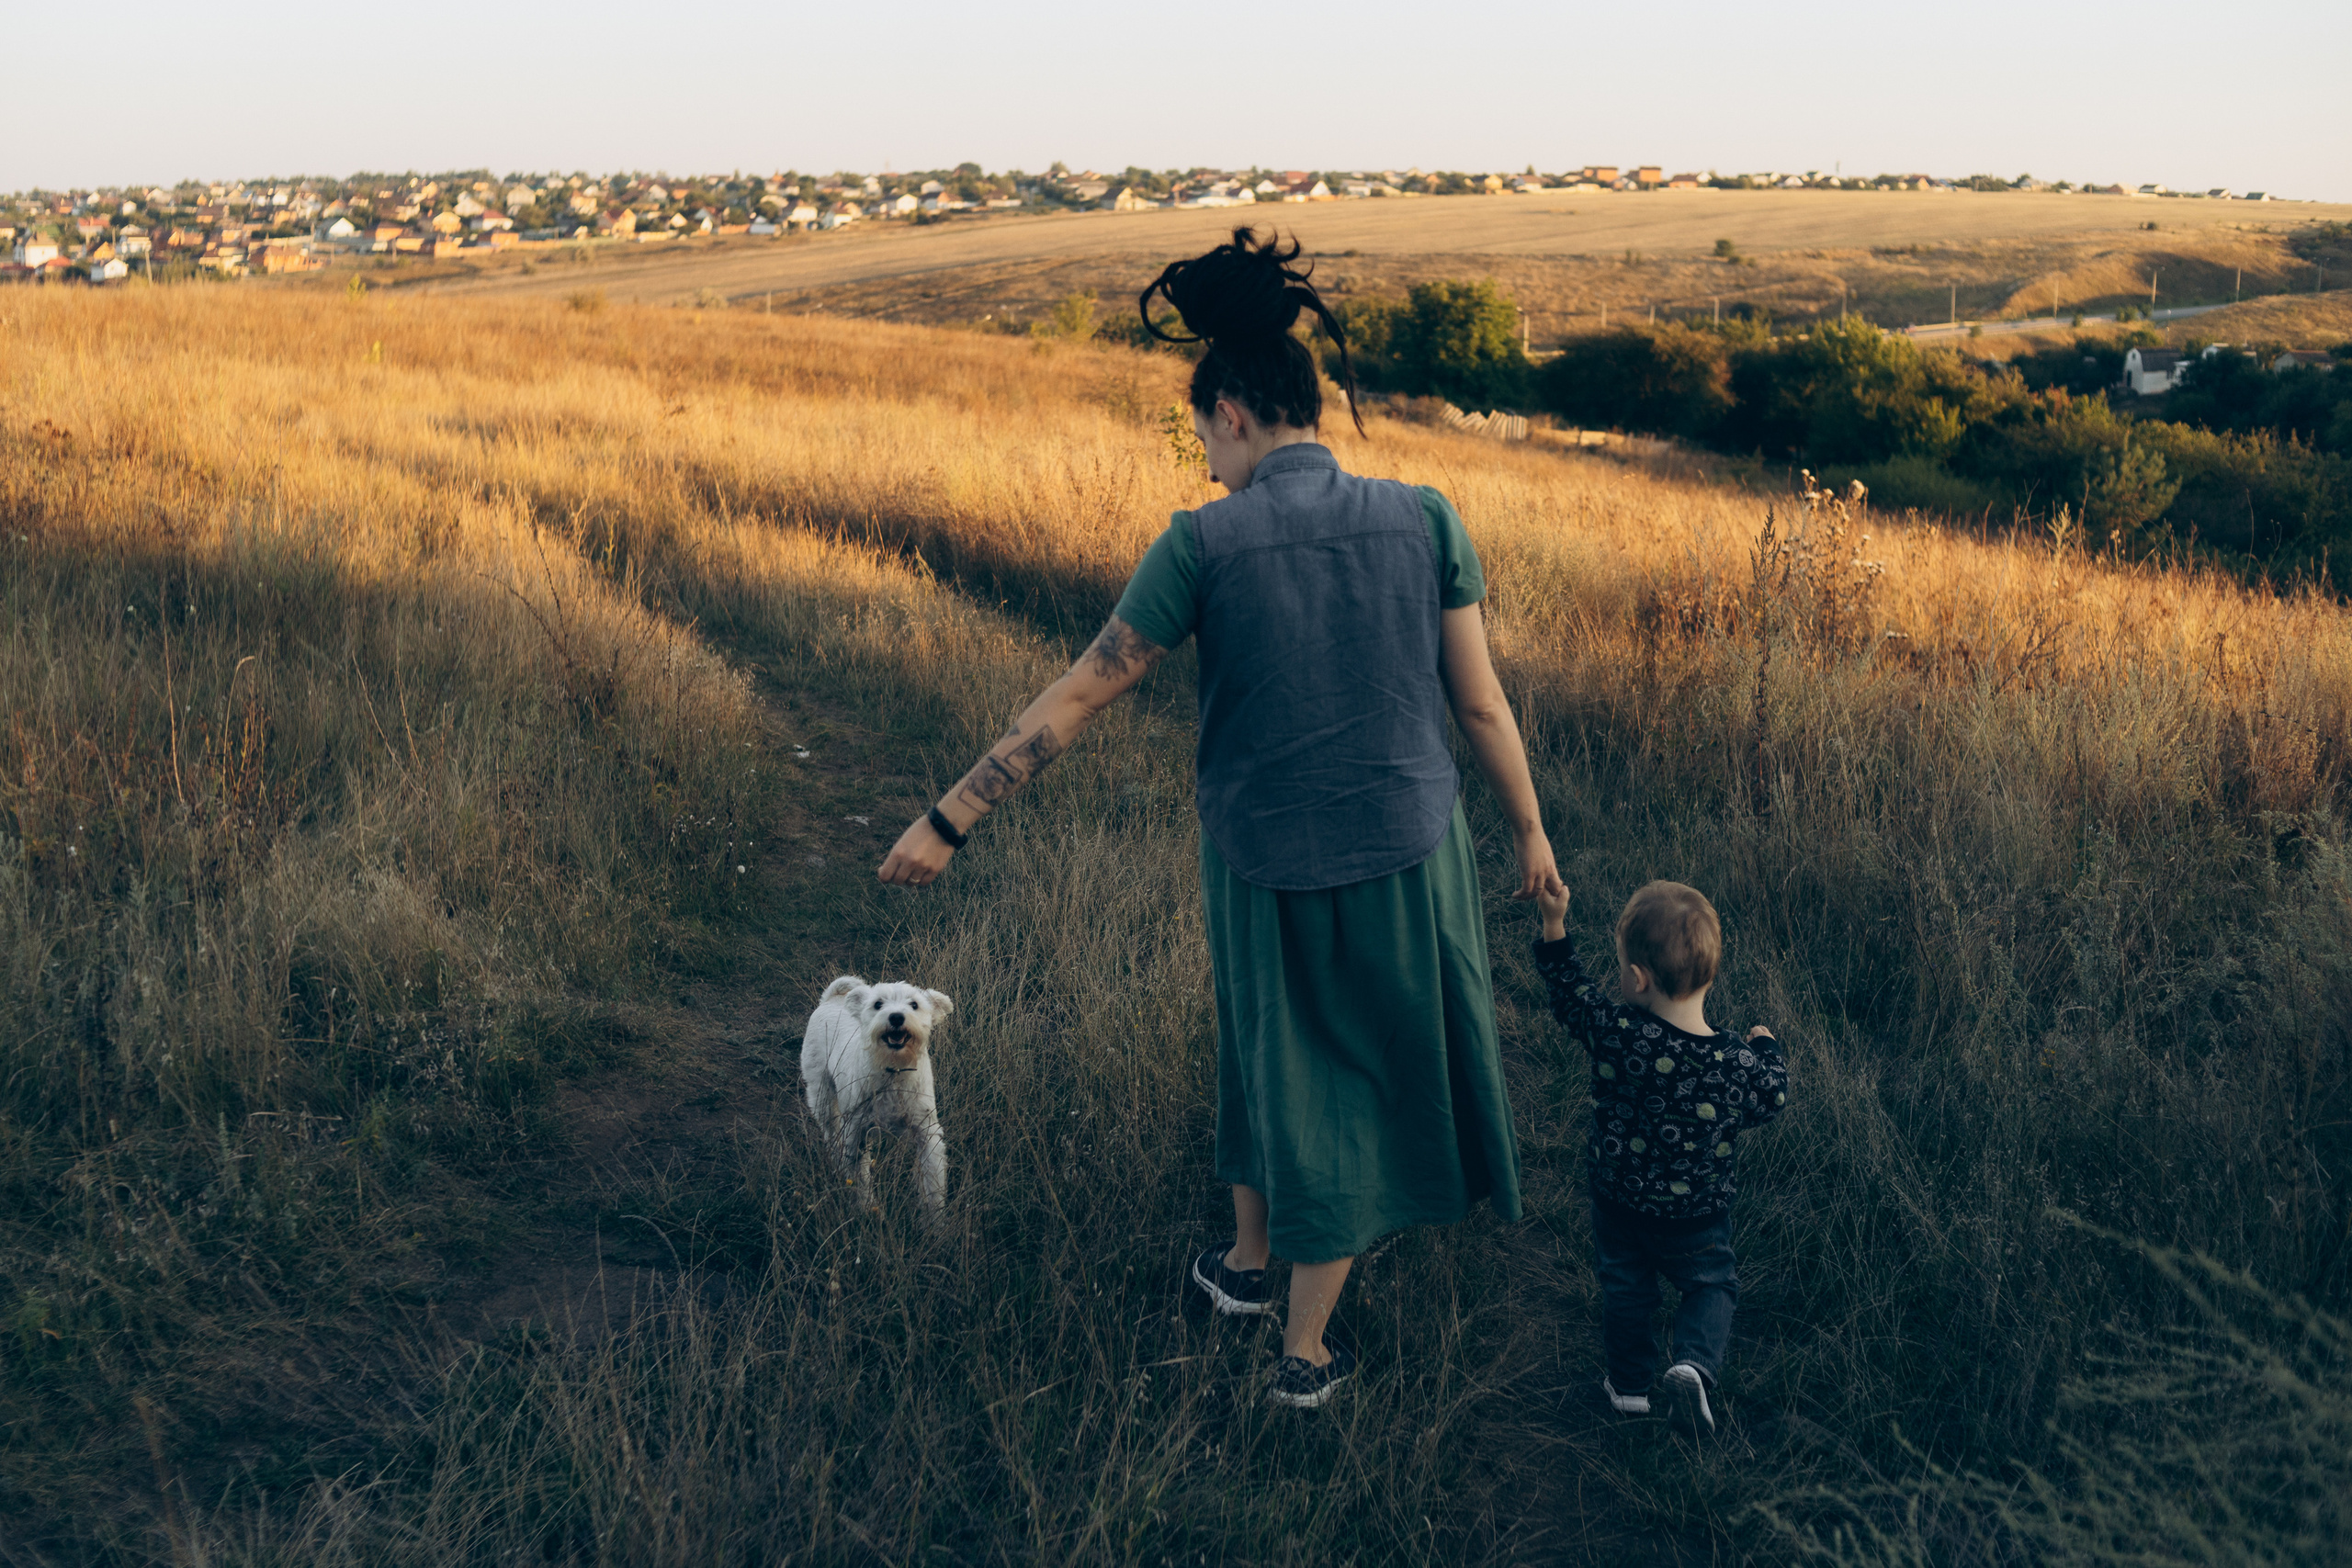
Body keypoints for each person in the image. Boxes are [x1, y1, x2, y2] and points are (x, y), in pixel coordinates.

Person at [878, 227, 1562, 1409]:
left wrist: (952, 816)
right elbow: (1482, 702)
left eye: (1204, 438)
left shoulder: (1203, 541)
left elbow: (1088, 685)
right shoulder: (1426, 516)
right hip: (1410, 849)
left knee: (1286, 1062)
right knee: (1332, 1071)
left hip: (1261, 857)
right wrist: (1534, 838)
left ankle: (1298, 1357)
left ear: (1235, 412)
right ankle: (1249, 1268)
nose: (1204, 466)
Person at [1531, 878, 1787, 1435]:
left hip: (1618, 1200)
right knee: (1711, 1285)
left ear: (1637, 978)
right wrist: (1766, 1044)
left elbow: (1571, 996)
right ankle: (1693, 1364)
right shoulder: (1734, 1062)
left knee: (1626, 1287)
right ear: (1710, 976)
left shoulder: (1617, 1033)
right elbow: (1774, 1093)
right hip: (1697, 1215)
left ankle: (1628, 1390)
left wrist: (1555, 924)